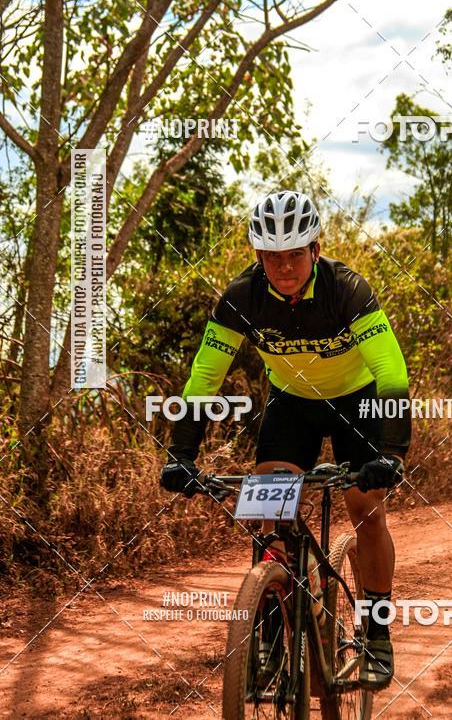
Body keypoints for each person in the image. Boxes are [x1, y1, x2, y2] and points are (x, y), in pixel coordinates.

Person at [160, 190, 411, 690]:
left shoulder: (347, 288)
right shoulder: (241, 297)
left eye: (295, 253)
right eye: (272, 256)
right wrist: (181, 455)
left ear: (315, 249)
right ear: (258, 255)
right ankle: (271, 631)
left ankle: (377, 635)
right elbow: (204, 377)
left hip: (357, 401)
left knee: (366, 508)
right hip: (292, 404)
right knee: (268, 511)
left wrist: (391, 453)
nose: (284, 267)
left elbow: (391, 371)